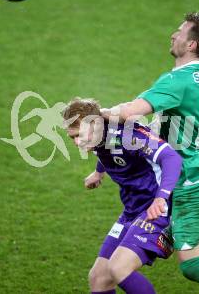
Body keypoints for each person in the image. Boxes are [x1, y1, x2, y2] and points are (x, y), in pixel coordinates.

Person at [101, 12, 199, 293]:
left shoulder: (177, 82)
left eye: (180, 32)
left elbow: (130, 113)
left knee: (194, 265)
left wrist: (97, 113)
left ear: (192, 45)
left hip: (191, 180)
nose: (173, 35)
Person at [62, 98, 182, 294]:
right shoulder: (96, 137)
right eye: (72, 138)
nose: (76, 142)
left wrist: (161, 198)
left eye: (78, 135)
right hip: (132, 210)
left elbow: (171, 158)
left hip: (157, 209)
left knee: (118, 268)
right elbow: (106, 152)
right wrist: (99, 172)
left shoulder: (128, 135)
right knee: (99, 278)